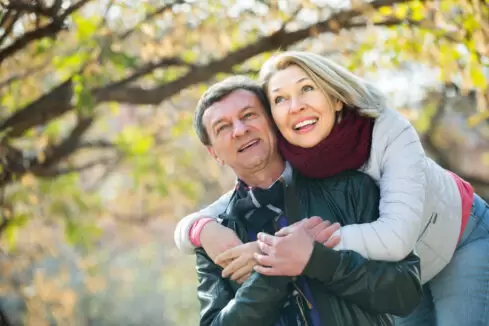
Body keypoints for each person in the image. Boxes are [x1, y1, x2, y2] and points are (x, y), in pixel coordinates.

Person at [175, 51, 489, 326]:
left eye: (307, 89)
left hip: (459, 234)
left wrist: (290, 253)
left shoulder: (382, 135)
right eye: (281, 99)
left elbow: (395, 242)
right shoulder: (294, 159)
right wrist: (199, 229)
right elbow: (230, 205)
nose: (241, 130)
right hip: (414, 261)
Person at [192, 75, 421, 325]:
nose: (240, 130)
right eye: (223, 127)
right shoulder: (217, 236)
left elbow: (405, 291)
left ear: (274, 122)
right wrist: (274, 269)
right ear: (214, 153)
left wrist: (318, 260)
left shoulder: (348, 187)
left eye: (249, 115)